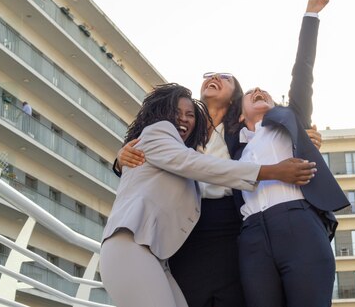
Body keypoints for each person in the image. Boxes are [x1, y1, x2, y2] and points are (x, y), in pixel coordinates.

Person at [100, 83, 316, 307]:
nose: (184, 119)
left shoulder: (229, 135)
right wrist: (271, 171)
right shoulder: (158, 132)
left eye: (189, 115)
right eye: (177, 113)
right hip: (133, 243)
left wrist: (300, 137)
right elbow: (196, 164)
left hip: (162, 255)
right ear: (160, 114)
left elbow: (194, 165)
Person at [235, 0, 350, 307]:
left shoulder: (291, 120)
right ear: (240, 116)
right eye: (250, 93)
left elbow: (303, 70)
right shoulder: (234, 147)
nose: (258, 91)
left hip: (299, 223)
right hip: (252, 236)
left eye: (264, 93)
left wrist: (310, 14)